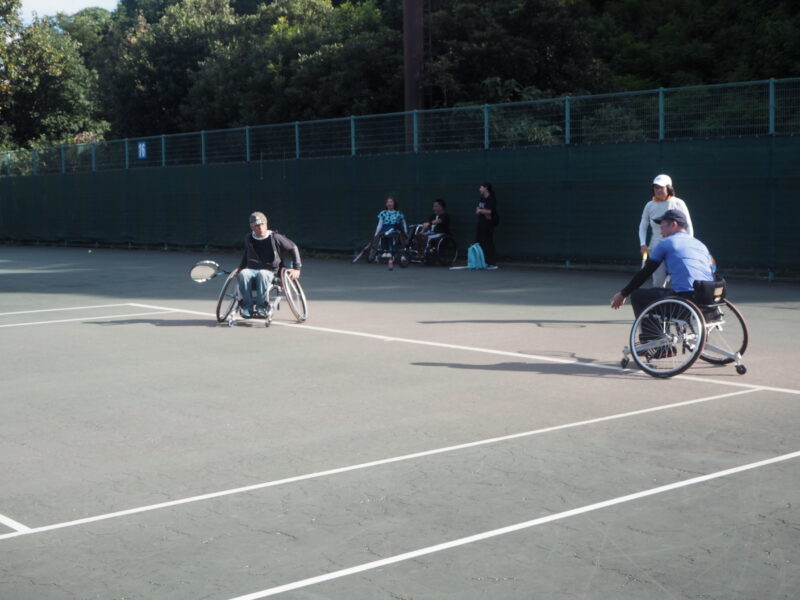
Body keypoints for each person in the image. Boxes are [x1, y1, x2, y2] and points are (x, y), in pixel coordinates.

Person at [611, 208, 714, 320]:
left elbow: (646, 272)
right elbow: (713, 268)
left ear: (673, 225)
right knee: (658, 291)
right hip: (708, 302)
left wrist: (623, 294)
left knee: (638, 295)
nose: (661, 232)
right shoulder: (700, 245)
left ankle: (651, 332)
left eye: (662, 227)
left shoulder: (665, 243)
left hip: (685, 303)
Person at [237, 211, 301, 319]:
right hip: (252, 270)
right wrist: (240, 268)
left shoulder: (275, 237)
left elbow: (293, 247)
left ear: (266, 224)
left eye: (262, 224)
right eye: (257, 226)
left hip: (272, 272)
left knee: (262, 274)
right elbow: (247, 253)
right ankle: (247, 307)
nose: (260, 228)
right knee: (243, 274)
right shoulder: (248, 238)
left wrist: (297, 268)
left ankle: (261, 307)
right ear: (252, 227)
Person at [638, 174, 693, 288]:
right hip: (656, 248)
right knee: (658, 283)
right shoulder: (649, 205)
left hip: (676, 248)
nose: (658, 190)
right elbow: (643, 225)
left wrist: (688, 245)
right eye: (655, 187)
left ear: (669, 188)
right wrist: (643, 244)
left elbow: (688, 225)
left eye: (661, 187)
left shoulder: (679, 203)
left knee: (680, 280)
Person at [475, 182, 499, 270]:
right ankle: (483, 261)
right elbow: (478, 209)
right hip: (481, 223)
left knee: (488, 242)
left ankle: (492, 263)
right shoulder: (482, 198)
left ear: (486, 188)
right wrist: (481, 210)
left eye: (481, 187)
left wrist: (481, 211)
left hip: (488, 224)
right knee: (480, 241)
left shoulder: (491, 199)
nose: (479, 189)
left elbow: (489, 212)